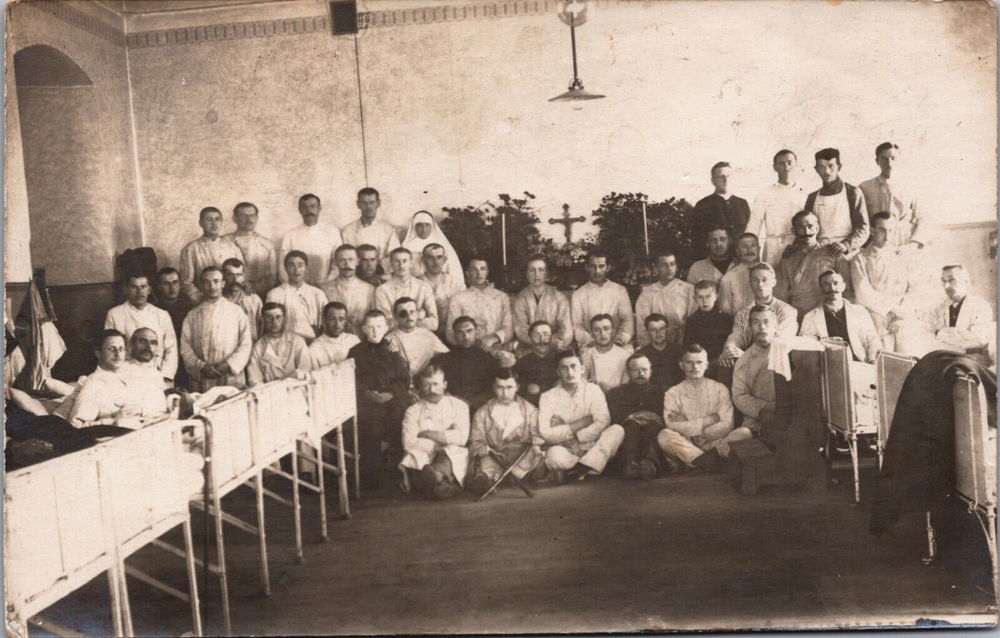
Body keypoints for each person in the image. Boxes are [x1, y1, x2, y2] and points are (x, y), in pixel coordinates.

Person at [349, 310, 412, 490]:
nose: (375, 331)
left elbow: (403, 379)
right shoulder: (355, 352)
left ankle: (400, 473)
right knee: (370, 426)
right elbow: (351, 381)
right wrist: (366, 393)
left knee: (399, 422)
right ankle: (373, 478)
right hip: (368, 402)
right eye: (370, 327)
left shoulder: (392, 350)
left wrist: (390, 394)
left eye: (379, 327)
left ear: (385, 328)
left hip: (392, 400)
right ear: (364, 329)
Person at [538, 351, 624, 482]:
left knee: (617, 430)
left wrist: (574, 434)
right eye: (564, 368)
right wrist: (580, 423)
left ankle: (574, 471)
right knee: (552, 457)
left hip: (593, 445)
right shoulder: (547, 397)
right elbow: (546, 434)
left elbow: (603, 422)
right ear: (557, 371)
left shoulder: (593, 390)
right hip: (567, 450)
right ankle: (590, 467)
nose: (570, 372)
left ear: (582, 369)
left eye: (574, 366)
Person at [659, 345, 743, 471]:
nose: (695, 367)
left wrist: (696, 429)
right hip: (688, 443)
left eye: (699, 362)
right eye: (689, 362)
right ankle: (710, 461)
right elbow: (672, 425)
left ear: (706, 365)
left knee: (744, 432)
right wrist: (708, 420)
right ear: (681, 365)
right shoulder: (672, 393)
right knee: (664, 435)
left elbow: (727, 424)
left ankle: (698, 461)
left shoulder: (720, 389)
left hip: (716, 443)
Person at [69, 330, 169, 428]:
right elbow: (77, 425)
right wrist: (112, 420)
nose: (118, 354)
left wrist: (140, 409)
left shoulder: (133, 371)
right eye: (112, 349)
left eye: (121, 349)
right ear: (98, 353)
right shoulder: (94, 384)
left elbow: (161, 401)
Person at [467, 368, 543, 495]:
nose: (505, 393)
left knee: (536, 453)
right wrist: (481, 448)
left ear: (517, 387)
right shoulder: (482, 413)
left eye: (509, 387)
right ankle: (486, 480)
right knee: (485, 463)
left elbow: (535, 432)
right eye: (500, 388)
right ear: (493, 387)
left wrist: (536, 438)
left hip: (521, 456)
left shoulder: (530, 410)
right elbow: (476, 440)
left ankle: (507, 477)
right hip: (495, 455)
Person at [399, 365, 470, 500]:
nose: (432, 390)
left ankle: (435, 478)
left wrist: (427, 433)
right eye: (426, 385)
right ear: (420, 387)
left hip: (449, 454)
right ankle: (441, 484)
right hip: (425, 455)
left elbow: (461, 438)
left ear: (445, 384)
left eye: (436, 384)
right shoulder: (413, 411)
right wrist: (442, 440)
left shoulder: (459, 406)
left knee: (449, 453)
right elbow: (408, 443)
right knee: (415, 456)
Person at [850, 213, 918, 349]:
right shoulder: (860, 259)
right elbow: (863, 293)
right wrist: (894, 309)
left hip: (902, 320)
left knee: (908, 361)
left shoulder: (902, 256)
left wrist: (901, 315)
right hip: (875, 319)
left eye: (891, 231)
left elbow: (915, 288)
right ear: (872, 230)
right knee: (880, 361)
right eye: (882, 230)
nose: (887, 236)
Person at [180, 267, 253, 392]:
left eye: (216, 281)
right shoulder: (192, 315)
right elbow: (185, 347)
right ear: (201, 285)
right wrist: (202, 367)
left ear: (223, 283)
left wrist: (228, 364)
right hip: (203, 376)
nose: (212, 286)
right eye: (206, 282)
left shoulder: (236, 312)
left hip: (230, 376)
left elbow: (246, 344)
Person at [775, 210, 853, 317]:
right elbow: (781, 295)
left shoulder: (832, 253)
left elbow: (847, 287)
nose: (807, 232)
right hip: (798, 313)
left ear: (817, 228)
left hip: (829, 311)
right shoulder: (788, 258)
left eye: (811, 226)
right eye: (801, 227)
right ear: (794, 231)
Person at [720, 263, 798, 368]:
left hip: (776, 365)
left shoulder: (787, 311)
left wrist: (745, 357)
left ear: (774, 282)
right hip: (748, 365)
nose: (760, 285)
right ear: (750, 283)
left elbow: (778, 345)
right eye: (755, 280)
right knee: (725, 361)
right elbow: (736, 338)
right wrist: (729, 350)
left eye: (764, 279)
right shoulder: (743, 313)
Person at [105, 272, 178, 380]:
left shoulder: (162, 315)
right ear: (126, 289)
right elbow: (110, 348)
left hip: (157, 374)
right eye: (134, 287)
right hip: (126, 375)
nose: (139, 292)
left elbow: (171, 349)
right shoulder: (114, 314)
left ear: (149, 289)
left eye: (143, 287)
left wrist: (166, 377)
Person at [800, 271, 882, 363]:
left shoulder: (860, 312)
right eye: (826, 284)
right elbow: (805, 346)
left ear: (843, 286)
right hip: (827, 366)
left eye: (836, 283)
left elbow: (873, 340)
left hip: (859, 363)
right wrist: (825, 342)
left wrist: (873, 361)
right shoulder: (810, 317)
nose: (832, 288)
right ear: (820, 288)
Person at [858, 142, 927, 250]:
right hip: (877, 245)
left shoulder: (911, 186)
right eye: (884, 159)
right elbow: (860, 220)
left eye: (893, 158)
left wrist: (914, 243)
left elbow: (923, 218)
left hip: (904, 243)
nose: (889, 164)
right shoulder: (865, 187)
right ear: (877, 161)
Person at [607, 353, 665, 480]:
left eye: (644, 369)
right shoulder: (616, 393)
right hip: (628, 434)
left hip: (653, 432)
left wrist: (649, 417)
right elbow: (614, 417)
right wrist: (636, 416)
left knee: (652, 426)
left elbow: (664, 417)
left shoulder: (661, 392)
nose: (640, 373)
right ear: (627, 372)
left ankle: (650, 463)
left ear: (651, 372)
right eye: (635, 370)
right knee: (630, 425)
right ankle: (630, 464)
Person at [803, 148, 870, 257]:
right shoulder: (812, 197)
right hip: (820, 253)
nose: (827, 171)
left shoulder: (852, 192)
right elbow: (805, 228)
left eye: (831, 166)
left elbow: (863, 228)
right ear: (816, 169)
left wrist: (846, 245)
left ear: (839, 167)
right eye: (822, 167)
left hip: (848, 253)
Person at [431, 316, 502, 413]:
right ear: (454, 335)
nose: (465, 336)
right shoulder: (444, 359)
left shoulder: (488, 359)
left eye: (469, 331)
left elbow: (494, 389)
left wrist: (472, 403)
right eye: (460, 332)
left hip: (481, 409)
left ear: (476, 332)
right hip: (452, 409)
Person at [748, 149, 806, 266]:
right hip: (772, 248)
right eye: (781, 163)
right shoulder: (765, 194)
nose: (786, 166)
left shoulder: (804, 193)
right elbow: (753, 226)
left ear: (796, 165)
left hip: (798, 245)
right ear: (775, 167)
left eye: (789, 162)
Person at [924, 264, 994, 358]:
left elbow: (979, 340)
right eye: (943, 281)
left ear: (966, 282)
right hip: (943, 357)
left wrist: (942, 333)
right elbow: (929, 337)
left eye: (952, 280)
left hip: (972, 358)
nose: (946, 286)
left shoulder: (980, 305)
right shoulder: (938, 306)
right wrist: (960, 336)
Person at [179, 206, 244, 304]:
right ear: (201, 223)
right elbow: (186, 283)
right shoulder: (191, 248)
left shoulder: (232, 246)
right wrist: (206, 300)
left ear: (221, 222)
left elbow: (242, 275)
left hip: (232, 301)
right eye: (209, 220)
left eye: (217, 219)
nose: (214, 224)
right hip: (204, 301)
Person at [445, 258, 513, 351]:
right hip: (469, 351)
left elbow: (508, 329)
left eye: (482, 269)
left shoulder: (501, 297)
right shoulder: (458, 298)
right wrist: (470, 342)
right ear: (467, 273)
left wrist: (492, 339)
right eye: (474, 269)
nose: (479, 273)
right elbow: (450, 333)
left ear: (487, 272)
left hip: (496, 349)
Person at [571, 250, 634, 349]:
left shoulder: (620, 290)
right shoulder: (578, 294)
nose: (597, 271)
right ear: (587, 267)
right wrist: (591, 342)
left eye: (601, 266)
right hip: (590, 345)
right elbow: (577, 324)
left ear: (608, 268)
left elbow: (627, 320)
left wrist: (618, 341)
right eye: (593, 266)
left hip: (619, 344)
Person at [732, 306, 779, 437]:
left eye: (766, 321)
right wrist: (767, 407)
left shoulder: (789, 352)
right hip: (757, 424)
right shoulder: (744, 361)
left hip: (790, 421)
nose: (762, 327)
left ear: (775, 325)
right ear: (750, 327)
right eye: (756, 322)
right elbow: (739, 396)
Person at [278, 194, 343, 286]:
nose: (309, 211)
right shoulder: (290, 235)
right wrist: (295, 286)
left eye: (313, 206)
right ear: (299, 210)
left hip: (326, 285)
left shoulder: (332, 232)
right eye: (304, 207)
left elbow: (338, 263)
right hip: (297, 287)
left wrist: (327, 284)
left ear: (319, 208)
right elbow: (282, 266)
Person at [513, 255, 573, 353]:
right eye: (532, 270)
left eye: (541, 270)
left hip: (557, 346)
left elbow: (567, 329)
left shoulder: (559, 297)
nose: (537, 274)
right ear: (527, 274)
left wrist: (556, 343)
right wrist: (545, 344)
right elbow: (521, 330)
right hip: (530, 347)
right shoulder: (521, 298)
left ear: (546, 274)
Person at [635, 250, 694, 347]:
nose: (669, 268)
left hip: (684, 343)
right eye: (664, 265)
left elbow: (694, 321)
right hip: (656, 344)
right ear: (656, 268)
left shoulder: (688, 289)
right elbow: (642, 326)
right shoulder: (647, 294)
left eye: (672, 264)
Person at [691, 162, 752, 255]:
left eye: (728, 176)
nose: (725, 180)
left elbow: (750, 236)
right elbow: (697, 241)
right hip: (714, 263)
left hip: (741, 262)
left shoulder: (742, 204)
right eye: (721, 177)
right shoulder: (702, 205)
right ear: (713, 181)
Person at [266, 251, 328, 341]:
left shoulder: (318, 294)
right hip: (286, 343)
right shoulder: (274, 294)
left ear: (305, 267)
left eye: (300, 265)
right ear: (285, 268)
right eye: (291, 265)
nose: (296, 270)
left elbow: (326, 322)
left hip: (315, 342)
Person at [247, 302, 313, 386]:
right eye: (269, 317)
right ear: (262, 320)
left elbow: (305, 371)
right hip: (270, 395)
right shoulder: (257, 348)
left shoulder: (297, 341)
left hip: (297, 391)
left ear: (284, 319)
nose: (274, 321)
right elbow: (255, 381)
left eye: (278, 317)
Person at [341, 188, 402, 276]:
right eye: (364, 203)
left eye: (372, 202)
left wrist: (376, 270)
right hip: (356, 277)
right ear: (358, 204)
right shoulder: (347, 230)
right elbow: (345, 256)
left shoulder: (389, 230)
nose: (368, 207)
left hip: (383, 277)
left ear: (378, 203)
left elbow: (395, 256)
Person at [375, 248, 439, 331]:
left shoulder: (423, 286)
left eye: (405, 261)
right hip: (395, 336)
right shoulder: (382, 290)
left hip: (421, 336)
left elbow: (434, 323)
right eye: (396, 261)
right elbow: (386, 325)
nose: (401, 265)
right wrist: (419, 316)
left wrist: (401, 321)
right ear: (391, 264)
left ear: (411, 263)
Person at [224, 202, 278, 298]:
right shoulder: (224, 241)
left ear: (257, 218)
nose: (249, 219)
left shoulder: (266, 244)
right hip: (229, 295)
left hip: (257, 295)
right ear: (235, 219)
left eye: (252, 215)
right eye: (243, 216)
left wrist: (254, 288)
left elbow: (271, 276)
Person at [388, 297, 449, 379]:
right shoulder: (389, 339)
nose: (409, 316)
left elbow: (448, 356)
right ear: (396, 316)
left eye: (412, 312)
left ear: (417, 314)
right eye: (403, 313)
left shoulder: (428, 335)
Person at [321, 244, 376, 333]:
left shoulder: (369, 289)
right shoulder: (325, 289)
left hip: (361, 339)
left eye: (351, 259)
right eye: (342, 260)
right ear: (335, 263)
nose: (347, 264)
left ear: (357, 261)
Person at [682, 281, 733, 378]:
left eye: (708, 296)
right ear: (695, 299)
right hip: (700, 365)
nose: (704, 301)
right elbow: (688, 346)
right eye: (700, 297)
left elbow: (731, 343)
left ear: (716, 296)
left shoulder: (726, 318)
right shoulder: (692, 320)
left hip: (721, 363)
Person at [401, 210, 463, 281]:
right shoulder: (406, 247)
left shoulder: (444, 246)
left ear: (432, 226)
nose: (424, 229)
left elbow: (454, 271)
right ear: (414, 227)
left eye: (427, 225)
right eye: (419, 225)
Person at [419, 243, 467, 334]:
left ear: (444, 260)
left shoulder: (456, 284)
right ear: (423, 260)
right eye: (430, 257)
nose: (435, 261)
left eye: (439, 257)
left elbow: (465, 312)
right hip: (425, 334)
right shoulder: (415, 283)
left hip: (453, 333)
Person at [512, 320, 560, 406]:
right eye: (536, 335)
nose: (542, 340)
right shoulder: (521, 363)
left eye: (546, 334)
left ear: (552, 337)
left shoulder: (560, 360)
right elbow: (515, 389)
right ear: (530, 338)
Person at [581, 314, 630, 392]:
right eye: (597, 330)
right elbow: (582, 385)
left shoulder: (625, 356)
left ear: (613, 331)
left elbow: (626, 387)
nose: (602, 334)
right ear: (591, 333)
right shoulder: (586, 355)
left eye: (606, 329)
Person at [718, 233, 762, 315]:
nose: (749, 250)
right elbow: (725, 313)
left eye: (753, 246)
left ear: (759, 249)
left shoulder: (769, 274)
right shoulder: (728, 279)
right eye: (744, 246)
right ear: (737, 251)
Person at [637, 314, 684, 390]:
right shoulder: (641, 356)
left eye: (662, 329)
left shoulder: (680, 352)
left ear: (668, 330)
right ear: (646, 333)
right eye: (653, 330)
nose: (658, 333)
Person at [309, 302, 361, 368]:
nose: (337, 325)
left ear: (345, 320)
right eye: (332, 319)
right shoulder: (314, 348)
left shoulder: (353, 340)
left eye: (341, 319)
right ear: (324, 320)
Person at [222, 258, 263, 341]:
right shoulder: (218, 301)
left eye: (239, 275)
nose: (235, 280)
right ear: (223, 276)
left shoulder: (254, 300)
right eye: (230, 275)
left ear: (243, 277)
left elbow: (263, 327)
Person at [153, 267, 193, 340]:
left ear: (180, 284)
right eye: (166, 284)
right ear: (159, 286)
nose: (172, 287)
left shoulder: (190, 308)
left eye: (175, 282)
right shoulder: (154, 310)